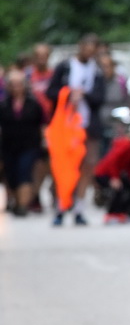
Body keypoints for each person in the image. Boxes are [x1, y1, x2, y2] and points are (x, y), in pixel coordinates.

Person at [46, 33, 106, 225]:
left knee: (87, 166)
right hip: (65, 126)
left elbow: (100, 98)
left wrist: (84, 94)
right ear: (80, 46)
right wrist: (68, 93)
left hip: (88, 126)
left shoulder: (97, 71)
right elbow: (50, 92)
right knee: (63, 166)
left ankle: (79, 206)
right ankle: (61, 205)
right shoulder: (65, 67)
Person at [0, 68, 46, 215]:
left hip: (29, 144)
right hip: (8, 145)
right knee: (11, 175)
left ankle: (22, 206)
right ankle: (15, 201)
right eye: (13, 84)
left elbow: (42, 125)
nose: (16, 88)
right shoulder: (3, 104)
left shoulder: (34, 104)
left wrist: (45, 143)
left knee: (24, 172)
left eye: (19, 84)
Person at [25, 43, 55, 213]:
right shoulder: (28, 75)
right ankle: (34, 195)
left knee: (52, 160)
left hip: (52, 123)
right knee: (36, 162)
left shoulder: (53, 75)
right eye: (38, 55)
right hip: (32, 124)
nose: (41, 59)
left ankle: (54, 190)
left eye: (45, 55)